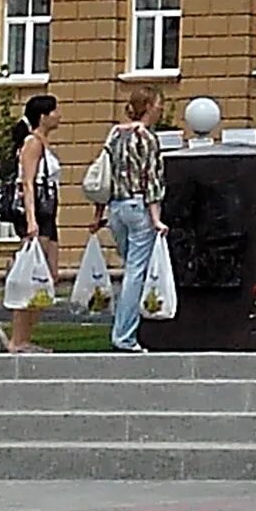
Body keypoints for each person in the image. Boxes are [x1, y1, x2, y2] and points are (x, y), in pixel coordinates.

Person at [100, 88, 166, 353]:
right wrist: (157, 219)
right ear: (148, 106)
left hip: (115, 208)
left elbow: (102, 175)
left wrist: (98, 215)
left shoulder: (115, 134)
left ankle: (125, 328)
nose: (161, 109)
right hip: (138, 207)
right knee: (136, 274)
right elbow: (152, 181)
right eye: (159, 104)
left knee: (130, 270)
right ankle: (124, 335)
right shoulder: (146, 138)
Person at [4, 93, 63, 353]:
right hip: (37, 212)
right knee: (33, 276)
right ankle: (18, 339)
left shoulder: (42, 143)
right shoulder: (32, 143)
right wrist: (31, 220)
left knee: (49, 275)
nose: (59, 115)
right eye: (55, 111)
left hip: (48, 212)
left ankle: (25, 337)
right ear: (43, 116)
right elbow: (27, 182)